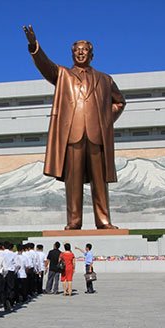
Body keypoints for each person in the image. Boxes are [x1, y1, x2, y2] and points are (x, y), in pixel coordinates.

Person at [24, 25, 126, 230]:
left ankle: (103, 220)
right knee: (73, 182)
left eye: (84, 50)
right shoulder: (63, 75)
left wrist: (105, 120)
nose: (80, 53)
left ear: (92, 54)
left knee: (100, 182)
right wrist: (35, 46)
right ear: (72, 54)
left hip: (97, 135)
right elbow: (45, 66)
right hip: (73, 135)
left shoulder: (105, 79)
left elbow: (119, 102)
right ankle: (74, 221)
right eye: (76, 50)